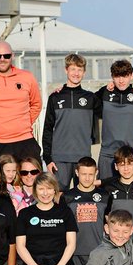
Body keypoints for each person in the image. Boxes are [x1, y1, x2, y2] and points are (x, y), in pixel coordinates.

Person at [42, 53, 99, 189]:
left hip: (83, 157)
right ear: (66, 70)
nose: (76, 73)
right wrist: (48, 159)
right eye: (73, 69)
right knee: (59, 198)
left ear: (84, 72)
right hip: (59, 159)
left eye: (80, 70)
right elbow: (48, 129)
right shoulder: (55, 98)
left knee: (82, 198)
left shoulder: (90, 98)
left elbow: (109, 110)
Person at [95, 59, 133, 181]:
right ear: (112, 77)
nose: (121, 80)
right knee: (106, 195)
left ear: (132, 76)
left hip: (132, 154)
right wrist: (64, 90)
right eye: (117, 76)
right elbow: (84, 103)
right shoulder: (104, 93)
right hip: (108, 154)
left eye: (125, 76)